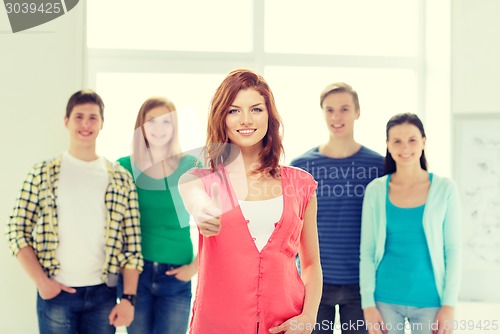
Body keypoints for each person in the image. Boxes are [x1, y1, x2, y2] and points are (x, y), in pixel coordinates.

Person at [179, 69, 322, 334]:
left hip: (284, 325)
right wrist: (203, 212)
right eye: (234, 111)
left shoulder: (301, 185)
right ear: (221, 117)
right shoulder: (199, 180)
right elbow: (195, 200)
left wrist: (309, 316)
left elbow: (311, 263)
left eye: (256, 109)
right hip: (217, 326)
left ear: (269, 115)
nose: (245, 120)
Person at [6, 90, 143, 334]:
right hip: (57, 294)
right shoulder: (43, 173)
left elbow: (131, 245)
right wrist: (41, 282)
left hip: (103, 294)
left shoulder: (120, 178)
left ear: (102, 123)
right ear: (66, 121)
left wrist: (129, 299)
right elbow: (16, 229)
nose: (85, 124)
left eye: (93, 117)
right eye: (79, 117)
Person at [291, 82, 384, 333]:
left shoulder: (378, 166)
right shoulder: (302, 166)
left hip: (361, 285)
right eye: (330, 110)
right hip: (313, 285)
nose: (336, 116)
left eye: (344, 109)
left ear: (357, 112)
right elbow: (291, 224)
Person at [360, 113, 461, 334]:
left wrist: (449, 305)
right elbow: (367, 251)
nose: (405, 148)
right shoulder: (376, 190)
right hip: (384, 300)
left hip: (431, 301)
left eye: (412, 140)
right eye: (397, 141)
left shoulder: (445, 189)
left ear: (424, 141)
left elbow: (452, 250)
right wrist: (367, 304)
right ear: (387, 145)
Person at [117, 97, 199, 334]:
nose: (159, 129)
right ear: (140, 126)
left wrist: (194, 267)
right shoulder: (123, 168)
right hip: (135, 276)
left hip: (176, 275)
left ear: (175, 128)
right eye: (152, 121)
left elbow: (215, 221)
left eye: (166, 122)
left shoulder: (192, 166)